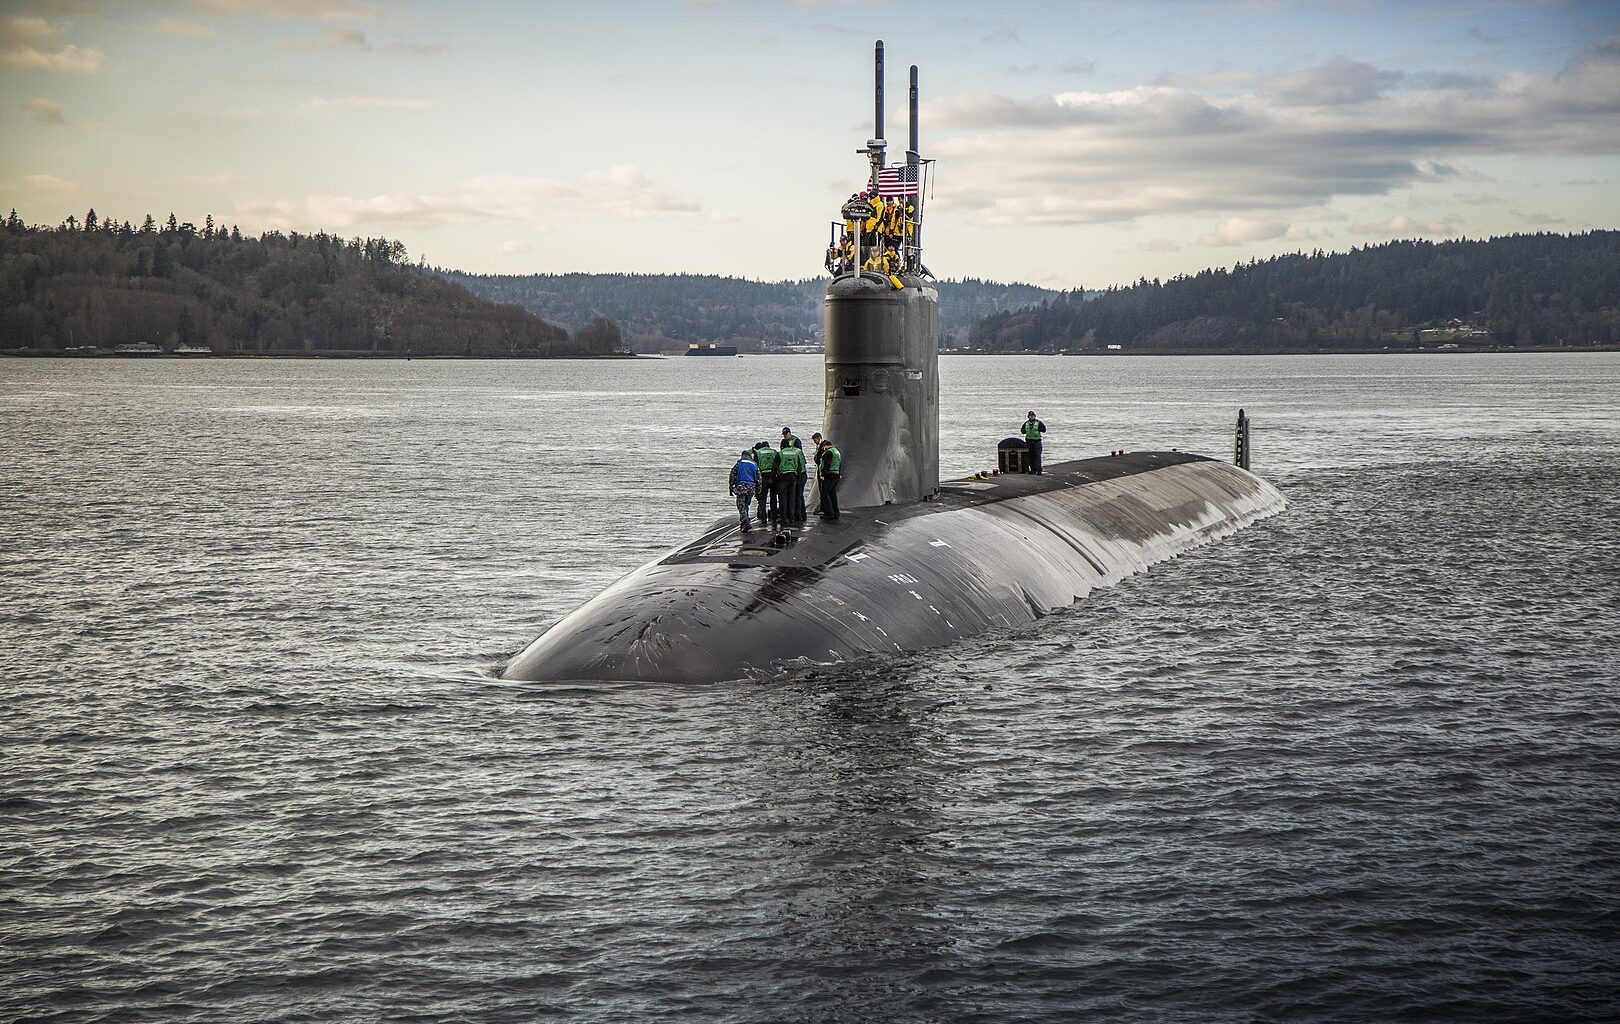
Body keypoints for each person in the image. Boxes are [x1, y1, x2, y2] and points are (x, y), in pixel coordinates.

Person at [776, 433, 806, 526]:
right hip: (794, 477)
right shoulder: (796, 453)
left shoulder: (780, 453)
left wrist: (774, 478)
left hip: (782, 478)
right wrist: (799, 476)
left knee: (783, 499)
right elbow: (801, 466)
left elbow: (775, 467)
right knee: (792, 498)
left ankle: (784, 518)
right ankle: (793, 517)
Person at [728, 449, 759, 531]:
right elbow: (759, 478)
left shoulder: (739, 463)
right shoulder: (754, 464)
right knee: (746, 505)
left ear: (742, 456)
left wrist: (731, 488)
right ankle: (746, 521)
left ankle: (745, 521)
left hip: (741, 486)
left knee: (741, 505)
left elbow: (732, 476)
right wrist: (758, 490)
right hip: (751, 487)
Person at [752, 441, 779, 526]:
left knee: (762, 498)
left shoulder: (758, 453)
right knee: (773, 498)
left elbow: (755, 466)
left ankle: (763, 518)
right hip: (773, 477)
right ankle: (774, 518)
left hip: (763, 477)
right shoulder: (774, 452)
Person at [818, 439, 842, 520]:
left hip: (828, 476)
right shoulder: (837, 452)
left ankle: (829, 513)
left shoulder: (828, 453)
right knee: (832, 495)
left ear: (825, 446)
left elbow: (826, 465)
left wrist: (823, 475)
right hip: (835, 476)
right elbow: (839, 464)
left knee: (824, 495)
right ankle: (836, 513)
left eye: (823, 447)